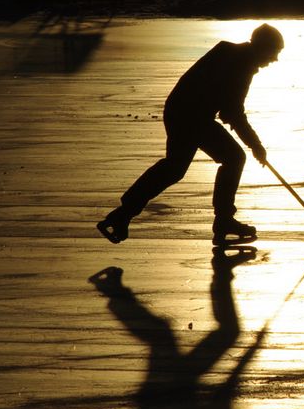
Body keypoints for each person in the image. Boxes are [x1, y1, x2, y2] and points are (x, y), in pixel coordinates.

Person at [98, 23, 284, 245]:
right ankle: (223, 220)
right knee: (230, 158)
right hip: (189, 116)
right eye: (274, 53)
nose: (275, 60)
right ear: (263, 48)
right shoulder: (239, 63)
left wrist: (254, 144)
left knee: (175, 168)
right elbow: (232, 111)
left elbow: (228, 109)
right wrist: (255, 145)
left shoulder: (236, 55)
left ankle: (122, 214)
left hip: (186, 113)